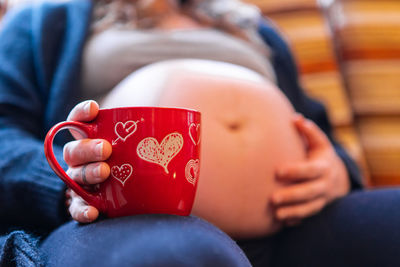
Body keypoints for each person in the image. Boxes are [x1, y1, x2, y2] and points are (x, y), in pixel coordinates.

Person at [5, 0, 398, 266]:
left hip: (293, 222)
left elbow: (318, 131)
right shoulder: (47, 19)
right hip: (129, 226)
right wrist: (64, 183)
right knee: (181, 256)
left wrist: (335, 172)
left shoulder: (253, 26)